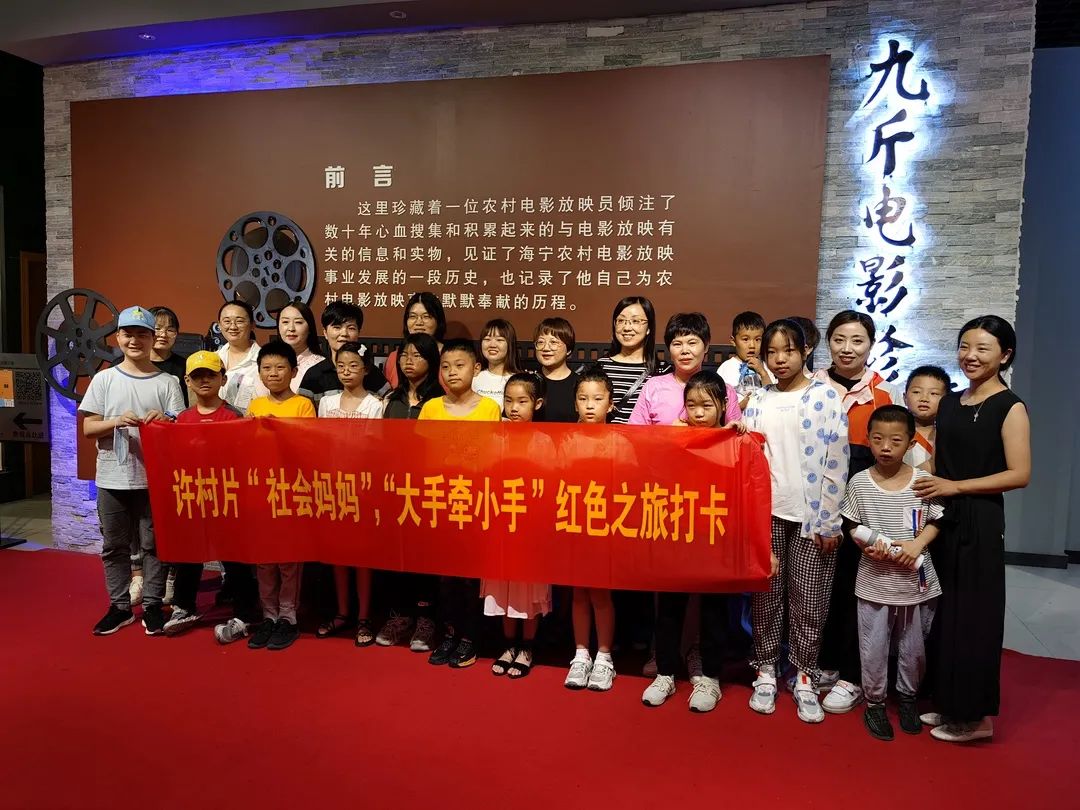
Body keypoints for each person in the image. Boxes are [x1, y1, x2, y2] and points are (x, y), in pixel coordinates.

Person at [913, 315, 1030, 743]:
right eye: (965, 346)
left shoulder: (1010, 406)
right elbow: (938, 461)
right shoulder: (950, 403)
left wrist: (956, 486)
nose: (970, 355)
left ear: (1005, 355)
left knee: (976, 616)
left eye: (982, 348)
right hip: (944, 515)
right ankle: (949, 701)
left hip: (980, 518)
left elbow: (1020, 474)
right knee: (946, 612)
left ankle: (977, 718)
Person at [741, 318, 848, 724]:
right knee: (766, 594)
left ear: (805, 351)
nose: (779, 359)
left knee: (809, 598)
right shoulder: (758, 399)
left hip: (812, 516)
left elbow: (837, 461)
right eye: (771, 352)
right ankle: (766, 670)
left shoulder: (825, 396)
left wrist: (829, 520)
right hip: (766, 512)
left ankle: (804, 675)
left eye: (788, 350)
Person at [841, 404, 944, 741]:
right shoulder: (859, 483)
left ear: (910, 443)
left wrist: (918, 544)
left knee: (914, 647)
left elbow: (937, 520)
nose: (886, 447)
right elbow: (852, 524)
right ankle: (874, 702)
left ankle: (908, 698)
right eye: (878, 439)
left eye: (895, 441)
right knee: (873, 645)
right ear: (868, 439)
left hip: (915, 581)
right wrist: (865, 546)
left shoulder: (922, 482)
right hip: (874, 581)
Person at [815, 310, 900, 715]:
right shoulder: (810, 386)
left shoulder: (885, 394)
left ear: (871, 345)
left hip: (865, 504)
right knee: (818, 586)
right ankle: (823, 662)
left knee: (854, 586)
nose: (847, 348)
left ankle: (852, 675)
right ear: (827, 343)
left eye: (857, 340)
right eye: (839, 339)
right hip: (815, 502)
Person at [81, 306, 185, 636]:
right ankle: (120, 607)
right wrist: (116, 421)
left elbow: (181, 430)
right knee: (114, 546)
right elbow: (88, 428)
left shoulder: (168, 382)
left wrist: (166, 421)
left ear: (153, 338)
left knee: (155, 545)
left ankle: (153, 605)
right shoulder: (104, 379)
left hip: (154, 478)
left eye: (142, 334)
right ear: (118, 337)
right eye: (128, 334)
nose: (135, 340)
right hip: (111, 477)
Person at [641, 371, 738, 713]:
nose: (698, 413)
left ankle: (711, 677)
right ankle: (665, 673)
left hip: (716, 534)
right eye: (691, 405)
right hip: (677, 531)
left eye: (706, 406)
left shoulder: (733, 439)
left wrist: (737, 435)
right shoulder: (675, 436)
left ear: (723, 405)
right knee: (669, 606)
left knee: (714, 608)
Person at [419, 340, 502, 669]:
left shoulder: (490, 408)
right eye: (445, 366)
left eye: (459, 365)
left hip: (474, 503)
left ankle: (470, 637)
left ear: (476, 369)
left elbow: (493, 458)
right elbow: (421, 457)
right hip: (439, 502)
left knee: (470, 577)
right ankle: (449, 634)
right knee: (445, 576)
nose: (452, 372)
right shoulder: (430, 408)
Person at [162, 350, 247, 637]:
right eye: (198, 376)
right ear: (187, 381)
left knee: (234, 557)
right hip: (194, 498)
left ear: (223, 378)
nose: (204, 380)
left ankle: (245, 611)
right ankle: (184, 605)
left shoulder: (234, 416)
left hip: (227, 498)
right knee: (189, 554)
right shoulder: (182, 419)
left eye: (211, 374)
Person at [245, 341, 317, 652]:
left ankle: (288, 617)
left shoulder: (303, 405)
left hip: (291, 490)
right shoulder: (255, 405)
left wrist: (279, 431)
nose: (273, 373)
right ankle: (269, 616)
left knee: (288, 560)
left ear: (294, 371)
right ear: (259, 373)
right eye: (266, 368)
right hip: (261, 489)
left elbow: (307, 445)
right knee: (264, 560)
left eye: (280, 367)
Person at [374, 333, 444, 651]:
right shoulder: (392, 400)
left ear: (432, 361)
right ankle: (399, 616)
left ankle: (426, 620)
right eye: (404, 355)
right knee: (396, 556)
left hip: (429, 489)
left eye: (417, 355)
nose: (408, 361)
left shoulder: (439, 401)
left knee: (425, 558)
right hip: (395, 489)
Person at [315, 341, 384, 647]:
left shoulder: (375, 405)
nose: (346, 371)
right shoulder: (326, 403)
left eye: (353, 365)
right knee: (338, 555)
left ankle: (364, 616)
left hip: (363, 490)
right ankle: (343, 612)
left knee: (362, 556)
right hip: (332, 488)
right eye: (341, 366)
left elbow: (376, 450)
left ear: (366, 369)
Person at [483, 373, 552, 679]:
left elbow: (549, 484)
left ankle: (528, 646)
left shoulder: (545, 440)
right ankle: (508, 643)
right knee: (503, 585)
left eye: (522, 401)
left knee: (529, 589)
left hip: (531, 527)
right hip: (500, 522)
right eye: (508, 400)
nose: (514, 407)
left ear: (537, 404)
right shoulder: (495, 436)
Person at [563, 367, 620, 692]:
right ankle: (581, 653)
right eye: (583, 398)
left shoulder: (620, 440)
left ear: (610, 404)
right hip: (573, 524)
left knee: (600, 593)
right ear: (575, 403)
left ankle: (604, 656)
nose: (589, 405)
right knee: (578, 592)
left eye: (597, 399)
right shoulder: (566, 439)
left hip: (604, 528)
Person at [629, 312, 741, 427]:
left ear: (706, 346)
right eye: (677, 344)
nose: (684, 351)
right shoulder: (653, 387)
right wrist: (671, 434)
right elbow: (635, 433)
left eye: (692, 343)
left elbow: (735, 434)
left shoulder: (725, 390)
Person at [299, 300, 388, 405]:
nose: (344, 333)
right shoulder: (313, 375)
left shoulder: (372, 373)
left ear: (358, 332)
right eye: (337, 327)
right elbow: (302, 411)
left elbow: (390, 404)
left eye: (351, 328)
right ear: (325, 333)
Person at [597, 296, 668, 424]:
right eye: (621, 320)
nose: (627, 327)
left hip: (645, 437)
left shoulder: (662, 370)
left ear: (649, 328)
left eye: (635, 321)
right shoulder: (600, 367)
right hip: (607, 436)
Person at [383, 292, 446, 390]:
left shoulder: (449, 356)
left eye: (426, 316)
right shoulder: (394, 357)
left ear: (438, 321)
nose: (419, 322)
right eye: (413, 316)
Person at [717, 310, 775, 410]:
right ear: (733, 341)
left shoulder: (765, 366)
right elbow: (719, 401)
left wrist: (762, 372)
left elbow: (772, 395)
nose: (752, 345)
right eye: (745, 339)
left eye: (757, 339)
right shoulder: (726, 367)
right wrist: (738, 407)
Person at [215, 300, 261, 413]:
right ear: (219, 325)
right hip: (216, 422)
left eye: (239, 321)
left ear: (252, 325)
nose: (233, 326)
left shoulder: (263, 362)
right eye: (227, 321)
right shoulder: (213, 358)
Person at [903, 365, 951, 472]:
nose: (924, 398)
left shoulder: (950, 433)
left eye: (933, 393)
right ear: (905, 398)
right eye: (916, 392)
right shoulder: (897, 433)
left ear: (947, 400)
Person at [271, 302, 325, 393]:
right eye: (285, 322)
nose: (291, 328)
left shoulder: (321, 365)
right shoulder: (268, 362)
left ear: (309, 327)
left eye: (298, 322)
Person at [534, 317, 579, 423]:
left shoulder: (580, 384)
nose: (545, 348)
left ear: (569, 349)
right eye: (540, 342)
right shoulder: (528, 382)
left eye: (553, 342)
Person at [473, 318, 521, 407]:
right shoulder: (474, 377)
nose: (492, 345)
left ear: (510, 345)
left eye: (499, 340)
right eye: (487, 339)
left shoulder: (519, 381)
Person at [149, 306, 188, 406]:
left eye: (170, 330)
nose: (163, 335)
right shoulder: (131, 364)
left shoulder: (185, 366)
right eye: (157, 329)